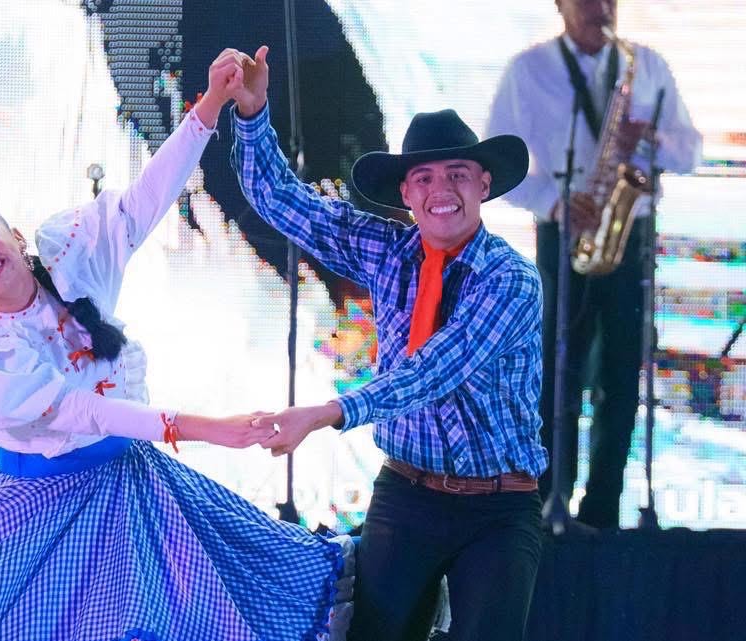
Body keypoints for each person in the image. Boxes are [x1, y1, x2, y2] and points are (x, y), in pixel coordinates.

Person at [0, 51, 354, 641]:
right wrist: (211, 429)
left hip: (131, 480)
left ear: (15, 236)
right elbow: (85, 411)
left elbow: (148, 198)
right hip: (38, 510)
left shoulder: (75, 261)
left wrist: (212, 101)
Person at [228, 46, 547, 641]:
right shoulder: (387, 251)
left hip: (498, 506)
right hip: (407, 492)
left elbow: (435, 369)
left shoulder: (511, 279)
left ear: (483, 184)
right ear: (406, 194)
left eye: (457, 173)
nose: (441, 189)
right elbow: (280, 201)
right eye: (424, 178)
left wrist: (328, 412)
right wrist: (252, 114)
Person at [485, 0, 702, 529]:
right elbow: (496, 163)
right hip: (564, 230)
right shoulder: (528, 70)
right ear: (560, 5)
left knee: (622, 375)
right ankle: (545, 502)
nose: (600, 9)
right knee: (556, 373)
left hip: (630, 233)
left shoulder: (647, 65)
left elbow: (690, 152)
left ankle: (603, 511)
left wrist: (649, 139)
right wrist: (555, 203)